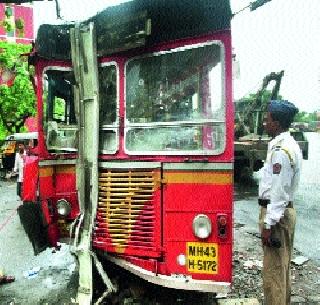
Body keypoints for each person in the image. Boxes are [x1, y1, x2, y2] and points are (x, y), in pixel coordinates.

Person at [257, 100, 302, 305]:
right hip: (284, 213)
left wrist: (268, 224)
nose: (265, 123)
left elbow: (278, 192)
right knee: (281, 268)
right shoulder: (290, 145)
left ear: (277, 122)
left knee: (273, 272)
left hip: (277, 216)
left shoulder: (281, 151)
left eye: (267, 119)